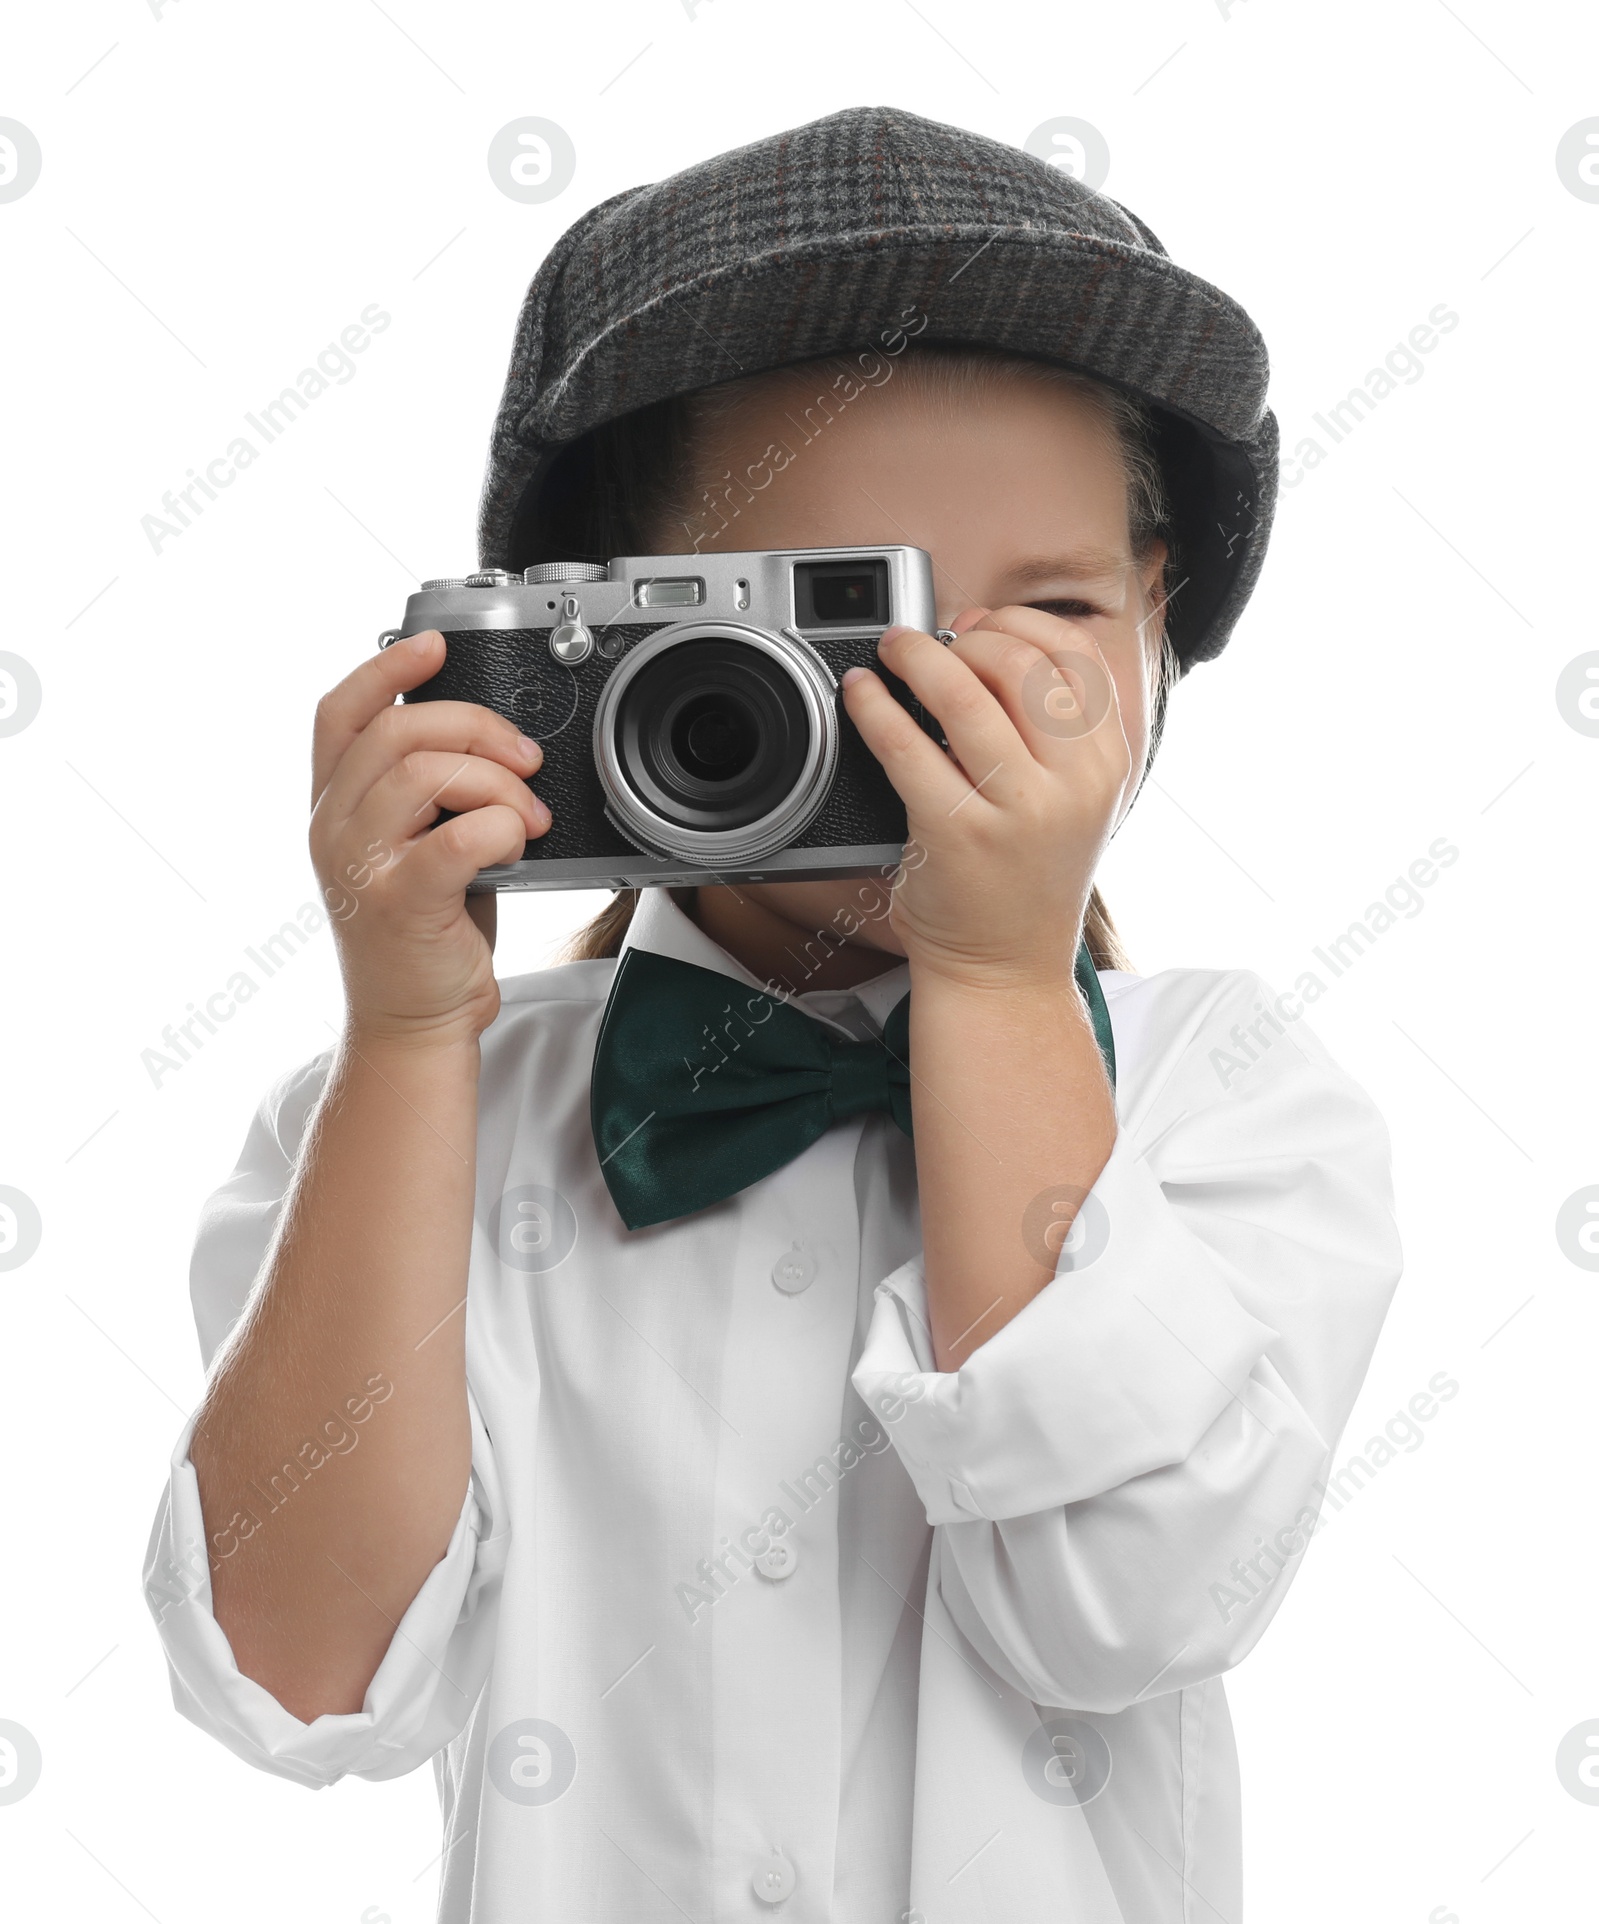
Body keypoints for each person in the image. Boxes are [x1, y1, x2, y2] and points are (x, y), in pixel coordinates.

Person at [144, 106, 1401, 1922]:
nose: (924, 705)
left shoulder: (1241, 1103)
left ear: (1158, 632)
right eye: (824, 619)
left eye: (1041, 614)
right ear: (597, 637)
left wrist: (989, 979)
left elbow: (1123, 1604)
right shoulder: (420, 1120)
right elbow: (302, 1676)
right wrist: (412, 1038)